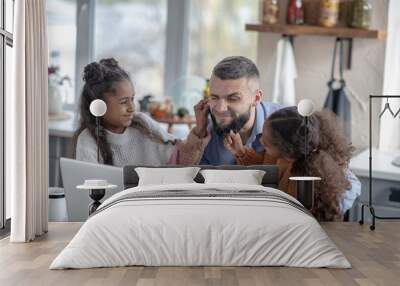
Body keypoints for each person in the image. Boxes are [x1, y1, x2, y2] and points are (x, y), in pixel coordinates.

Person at [187, 56, 361, 214]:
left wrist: (314, 215)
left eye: (233, 98)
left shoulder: (290, 124)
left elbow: (350, 186)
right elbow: (190, 182)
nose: (219, 108)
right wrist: (198, 133)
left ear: (256, 98)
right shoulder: (206, 130)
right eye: (214, 97)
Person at [223, 106, 352, 221]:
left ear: (288, 156)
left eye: (266, 144)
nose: (260, 140)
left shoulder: (301, 190)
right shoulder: (291, 154)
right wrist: (240, 151)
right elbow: (267, 168)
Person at [73, 58, 207, 166]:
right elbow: (89, 192)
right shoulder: (88, 141)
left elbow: (181, 160)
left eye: (132, 99)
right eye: (124, 101)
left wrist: (199, 130)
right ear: (99, 105)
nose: (132, 107)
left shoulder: (142, 123)